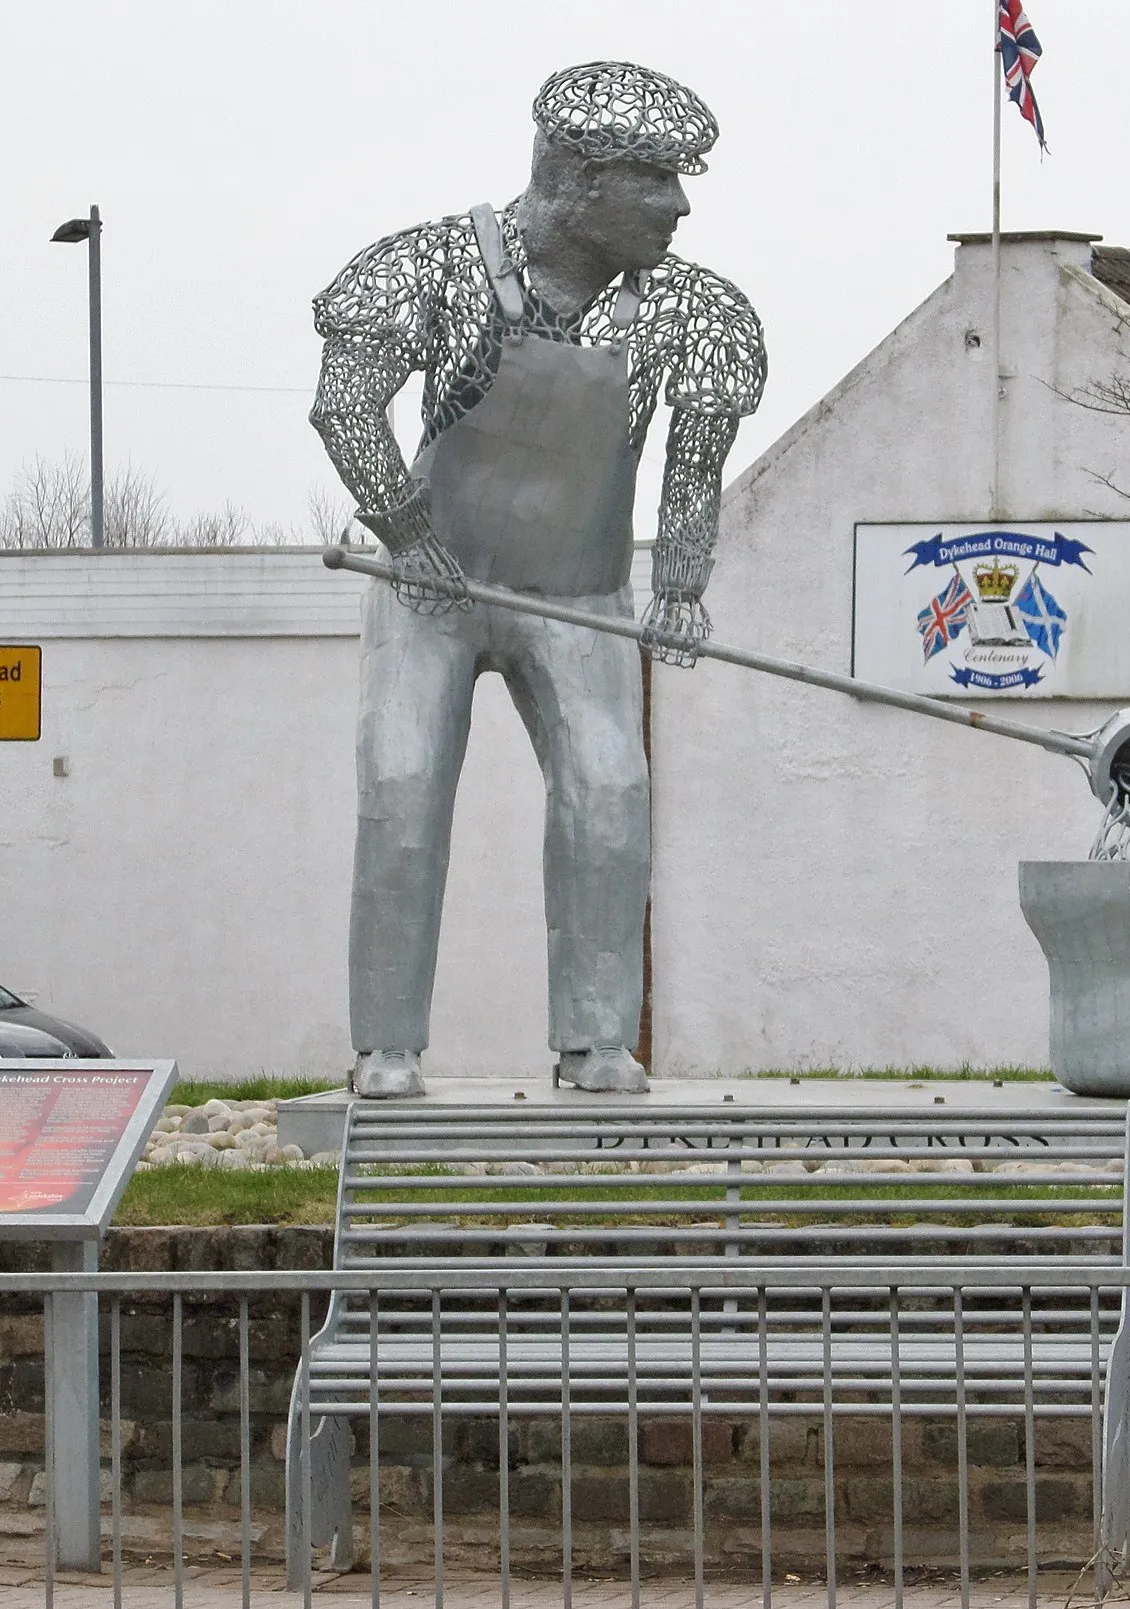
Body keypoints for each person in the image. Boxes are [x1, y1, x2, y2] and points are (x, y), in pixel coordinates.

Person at [310, 61, 766, 1097]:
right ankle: (386, 1044)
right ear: (576, 178)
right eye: (654, 180)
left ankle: (597, 1040)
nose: (679, 205)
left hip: (578, 591)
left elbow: (691, 469)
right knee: (400, 781)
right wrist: (404, 530)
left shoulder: (693, 316)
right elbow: (344, 404)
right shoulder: (427, 268)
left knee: (610, 790)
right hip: (434, 581)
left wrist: (682, 587)